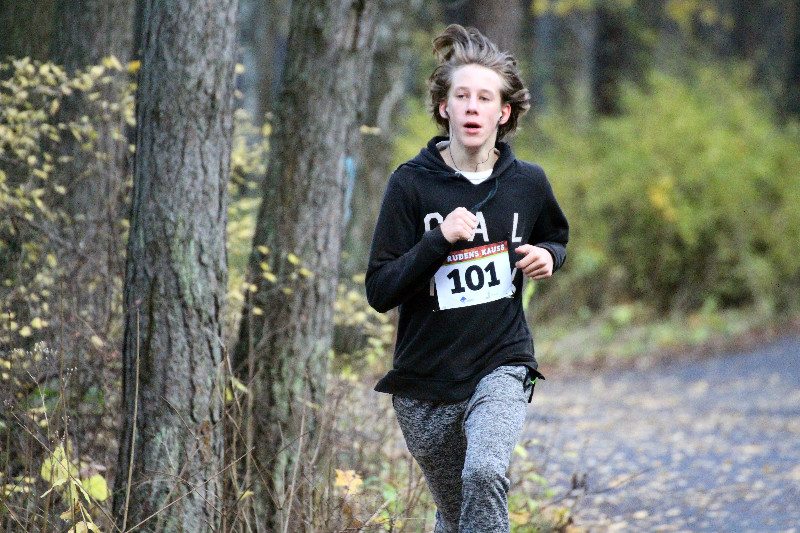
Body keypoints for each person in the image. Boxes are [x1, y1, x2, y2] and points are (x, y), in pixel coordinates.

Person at [365, 24, 569, 532]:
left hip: (502, 364)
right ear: (444, 108)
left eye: (485, 97)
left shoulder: (528, 183)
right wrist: (438, 240)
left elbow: (556, 238)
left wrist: (549, 256)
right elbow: (380, 290)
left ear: (504, 113)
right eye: (462, 96)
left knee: (484, 473)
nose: (472, 107)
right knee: (458, 518)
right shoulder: (410, 185)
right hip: (424, 384)